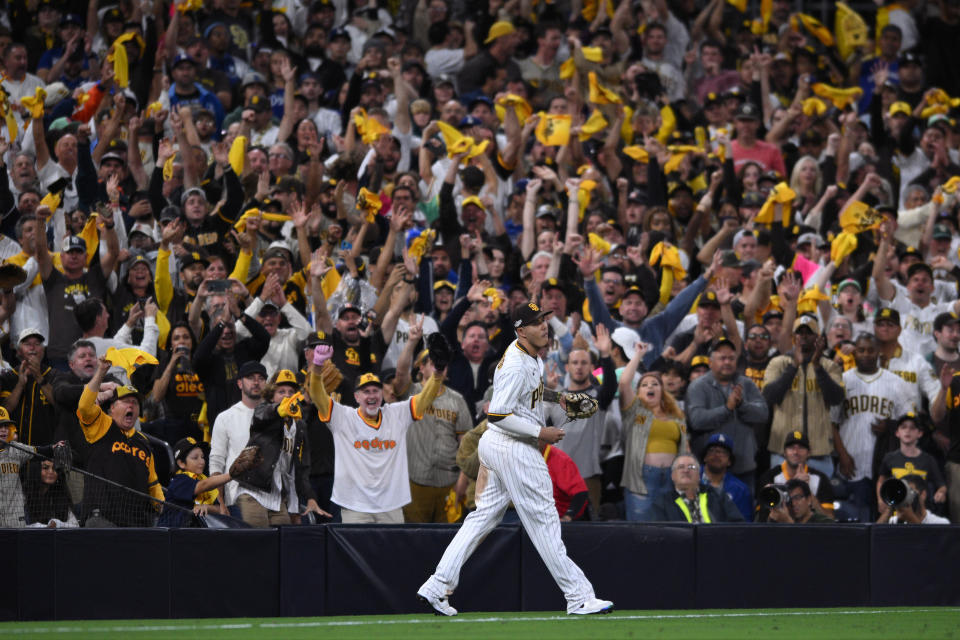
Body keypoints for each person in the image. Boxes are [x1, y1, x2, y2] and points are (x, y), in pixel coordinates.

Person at [417, 301, 614, 617]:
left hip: (498, 448)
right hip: (514, 447)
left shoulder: (528, 355)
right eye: (536, 323)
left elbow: (529, 392)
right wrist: (541, 432)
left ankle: (437, 585)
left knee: (482, 519)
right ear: (521, 330)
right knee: (545, 522)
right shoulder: (516, 364)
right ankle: (579, 597)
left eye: (545, 320)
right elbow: (496, 414)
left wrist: (558, 397)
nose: (544, 326)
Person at [308, 338, 446, 523]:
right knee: (354, 551)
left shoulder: (397, 414)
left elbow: (425, 399)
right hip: (355, 505)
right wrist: (317, 368)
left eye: (375, 390)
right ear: (356, 396)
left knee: (390, 552)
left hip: (391, 505)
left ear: (382, 394)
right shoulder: (343, 417)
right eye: (366, 391)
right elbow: (317, 395)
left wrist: (437, 375)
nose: (371, 395)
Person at [233, 370, 331, 527]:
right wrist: (278, 411)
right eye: (281, 391)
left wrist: (308, 498)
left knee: (283, 543)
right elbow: (261, 415)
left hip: (278, 497)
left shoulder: (299, 425)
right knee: (259, 541)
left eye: (291, 391)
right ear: (271, 396)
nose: (287, 395)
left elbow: (299, 468)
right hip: (253, 492)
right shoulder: (263, 412)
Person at [76, 357, 164, 527]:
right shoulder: (102, 424)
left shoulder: (143, 442)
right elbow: (85, 406)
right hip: (102, 518)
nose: (131, 406)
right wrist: (101, 371)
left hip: (136, 522)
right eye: (125, 401)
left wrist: (162, 505)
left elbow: (153, 483)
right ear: (112, 408)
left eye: (135, 403)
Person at [834, 333, 914, 522]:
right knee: (855, 520)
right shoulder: (843, 381)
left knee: (885, 520)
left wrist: (890, 425)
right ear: (854, 352)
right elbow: (831, 422)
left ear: (878, 352)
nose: (866, 354)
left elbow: (911, 421)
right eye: (861, 350)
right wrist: (842, 455)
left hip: (885, 465)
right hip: (851, 462)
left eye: (871, 350)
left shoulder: (896, 382)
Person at [762, 315, 845, 478]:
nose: (804, 336)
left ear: (818, 338)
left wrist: (817, 367)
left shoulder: (829, 366)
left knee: (818, 502)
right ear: (793, 337)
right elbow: (769, 396)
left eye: (809, 332)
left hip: (818, 454)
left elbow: (836, 398)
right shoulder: (778, 363)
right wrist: (794, 366)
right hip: (782, 454)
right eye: (799, 333)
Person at [686, 338, 769, 487]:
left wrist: (742, 405)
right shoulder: (697, 387)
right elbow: (697, 421)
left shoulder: (746, 384)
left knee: (743, 510)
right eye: (722, 358)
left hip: (744, 466)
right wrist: (727, 409)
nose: (727, 362)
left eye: (731, 358)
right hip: (710, 469)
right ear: (711, 363)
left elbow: (763, 414)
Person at [208, 360, 268, 514]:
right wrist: (221, 502)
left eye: (261, 378)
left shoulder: (276, 416)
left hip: (273, 499)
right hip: (237, 499)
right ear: (240, 383)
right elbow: (216, 463)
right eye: (250, 378)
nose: (256, 382)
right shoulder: (225, 418)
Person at [876, 413, 947, 513]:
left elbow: (941, 484)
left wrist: (941, 492)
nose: (907, 431)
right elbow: (881, 481)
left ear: (920, 433)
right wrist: (880, 500)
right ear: (897, 432)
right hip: (897, 513)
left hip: (921, 515)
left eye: (912, 428)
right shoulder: (890, 458)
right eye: (903, 427)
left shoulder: (928, 460)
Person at [756, 430, 835, 518]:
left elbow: (830, 518)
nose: (796, 452)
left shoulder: (820, 478)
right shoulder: (769, 477)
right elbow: (761, 517)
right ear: (784, 453)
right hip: (779, 529)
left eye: (801, 448)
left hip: (809, 529)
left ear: (809, 453)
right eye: (791, 448)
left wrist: (807, 491)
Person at [158, 437, 234, 527]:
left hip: (194, 533)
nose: (202, 461)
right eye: (195, 458)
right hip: (171, 536)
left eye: (202, 457)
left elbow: (220, 509)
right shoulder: (179, 481)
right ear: (181, 463)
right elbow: (204, 485)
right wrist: (232, 474)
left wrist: (206, 507)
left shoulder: (202, 479)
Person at [649, 454, 745, 523]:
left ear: (699, 475)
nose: (686, 470)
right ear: (673, 476)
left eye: (691, 467)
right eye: (681, 467)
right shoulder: (661, 503)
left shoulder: (717, 496)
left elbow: (738, 525)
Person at [700, 433, 753, 522]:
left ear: (729, 461)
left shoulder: (740, 490)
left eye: (723, 452)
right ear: (705, 457)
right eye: (712, 450)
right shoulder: (690, 479)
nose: (716, 455)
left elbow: (745, 525)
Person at [878, 474, 950, 524]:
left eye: (909, 491)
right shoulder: (894, 521)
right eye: (903, 492)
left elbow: (928, 544)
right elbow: (875, 538)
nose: (905, 496)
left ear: (923, 494)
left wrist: (911, 518)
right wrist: (889, 510)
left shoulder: (940, 523)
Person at [766, 479, 835, 524]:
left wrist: (788, 523)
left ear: (809, 500)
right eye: (789, 499)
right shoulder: (781, 519)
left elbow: (808, 545)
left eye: (797, 498)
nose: (793, 503)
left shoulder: (825, 523)